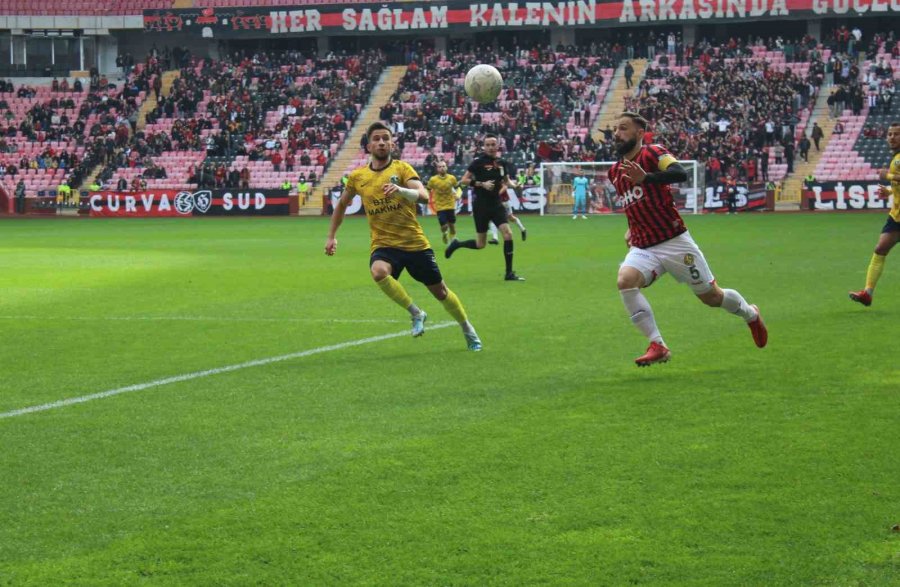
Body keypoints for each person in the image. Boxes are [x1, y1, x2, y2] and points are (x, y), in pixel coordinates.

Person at [608, 112, 767, 366]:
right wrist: (631, 227)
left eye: (624, 128)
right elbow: (635, 204)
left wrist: (646, 177)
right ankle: (658, 345)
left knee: (712, 298)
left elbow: (679, 173)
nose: (617, 134)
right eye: (616, 129)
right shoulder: (614, 172)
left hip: (674, 241)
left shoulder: (653, 153)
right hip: (643, 244)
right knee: (625, 280)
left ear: (640, 133)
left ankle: (750, 314)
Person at [325, 122, 482, 351]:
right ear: (368, 145)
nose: (381, 142)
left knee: (441, 292)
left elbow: (423, 195)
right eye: (376, 138)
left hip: (414, 243)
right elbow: (341, 206)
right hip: (384, 244)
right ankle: (416, 312)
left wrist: (400, 191)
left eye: (385, 138)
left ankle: (467, 328)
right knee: (378, 272)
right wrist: (331, 236)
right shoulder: (358, 177)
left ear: (392, 143)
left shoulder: (402, 169)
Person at [445, 134, 525, 281]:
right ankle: (457, 244)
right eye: (487, 145)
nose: (490, 147)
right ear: (483, 146)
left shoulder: (502, 163)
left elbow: (506, 181)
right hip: (481, 206)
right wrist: (481, 184)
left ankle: (509, 273)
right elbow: (463, 180)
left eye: (493, 144)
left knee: (508, 234)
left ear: (497, 146)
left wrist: (515, 185)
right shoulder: (478, 162)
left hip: (496, 204)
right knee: (480, 244)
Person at [849, 122, 900, 307]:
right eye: (890, 134)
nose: (892, 137)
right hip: (896, 216)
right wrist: (890, 191)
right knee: (880, 249)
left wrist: (888, 176)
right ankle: (867, 293)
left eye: (896, 134)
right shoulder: (895, 158)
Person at [426, 160, 460, 244]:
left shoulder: (452, 178)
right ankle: (444, 233)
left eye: (443, 166)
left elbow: (458, 188)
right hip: (440, 206)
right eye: (440, 167)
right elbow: (428, 189)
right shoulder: (433, 179)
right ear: (437, 169)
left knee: (452, 225)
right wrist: (426, 197)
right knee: (444, 226)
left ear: (447, 167)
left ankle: (452, 240)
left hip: (450, 205)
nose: (442, 168)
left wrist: (458, 195)